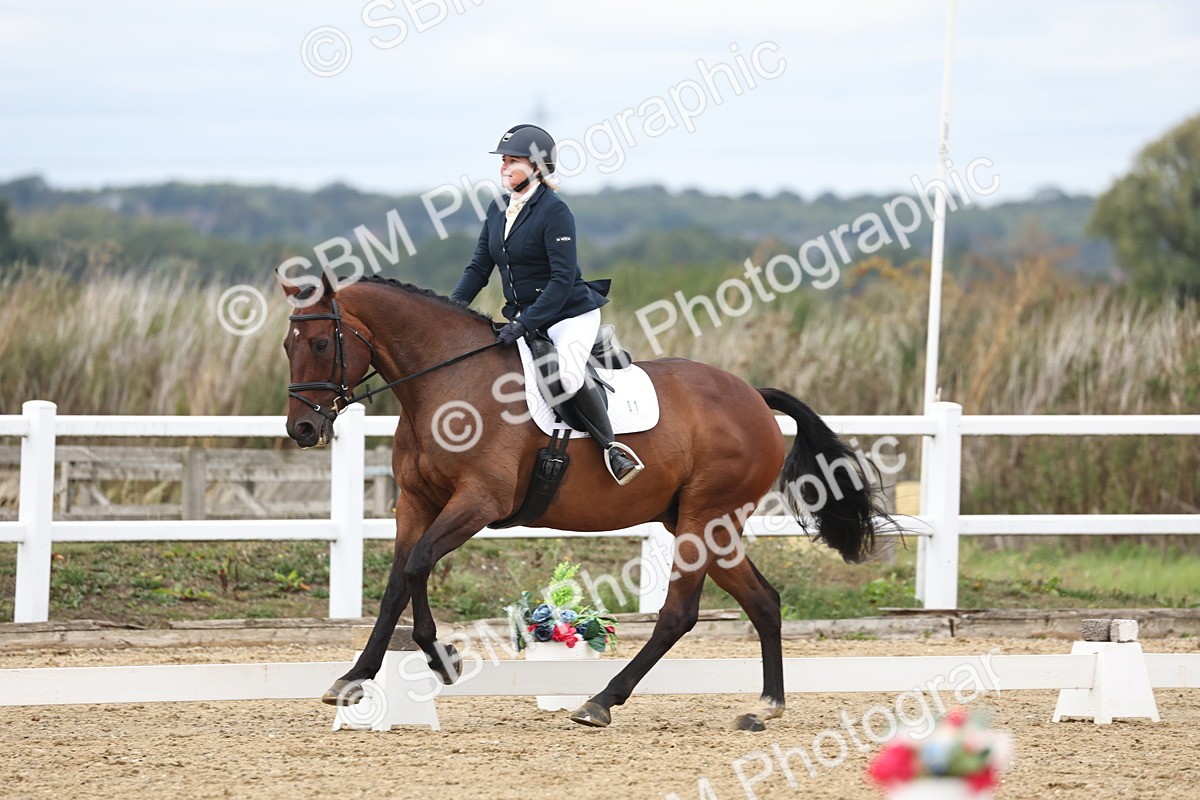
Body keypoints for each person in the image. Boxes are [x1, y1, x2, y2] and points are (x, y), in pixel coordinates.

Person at [451, 124, 644, 485]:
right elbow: (479, 267)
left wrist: (522, 326)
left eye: (512, 161)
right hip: (524, 317)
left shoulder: (554, 211)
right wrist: (449, 311)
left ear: (537, 167)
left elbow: (560, 280)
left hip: (568, 315)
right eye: (503, 161)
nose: (504, 168)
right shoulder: (498, 209)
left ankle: (613, 449)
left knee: (566, 377)